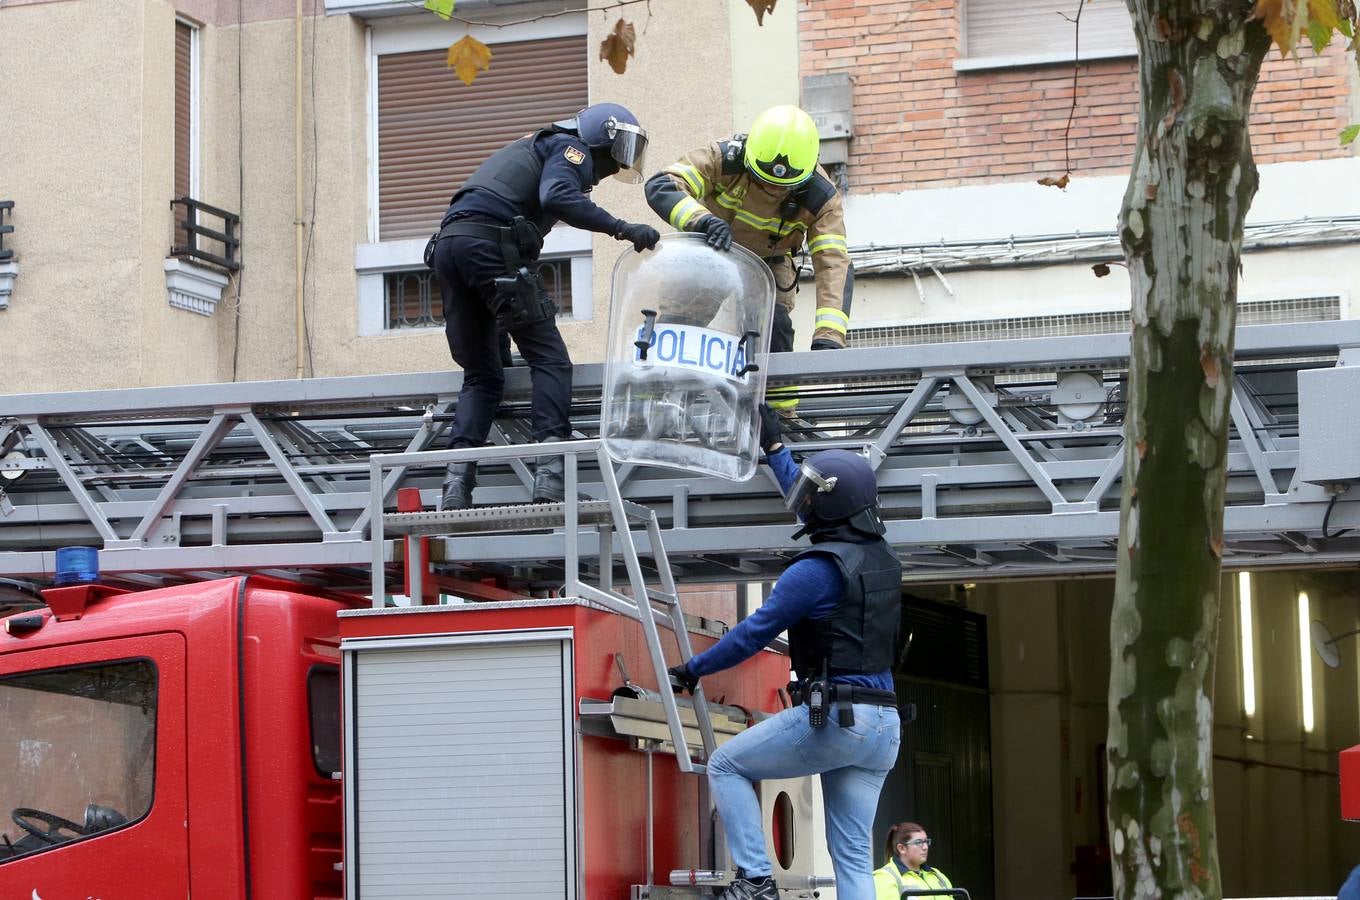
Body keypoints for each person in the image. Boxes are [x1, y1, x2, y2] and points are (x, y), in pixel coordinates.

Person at [667, 406, 902, 900]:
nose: (806, 500)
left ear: (830, 506)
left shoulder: (813, 571)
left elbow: (753, 634)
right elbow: (817, 508)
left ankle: (755, 880)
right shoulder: (882, 559)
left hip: (839, 717)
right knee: (854, 857)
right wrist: (777, 452)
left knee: (726, 766)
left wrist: (694, 668)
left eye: (814, 493)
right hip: (885, 728)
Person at [428, 103, 661, 510]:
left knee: (484, 375)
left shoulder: (529, 149)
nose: (611, 165)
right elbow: (558, 196)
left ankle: (455, 487)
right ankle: (551, 479)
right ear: (602, 136)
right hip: (489, 246)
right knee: (551, 362)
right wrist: (623, 229)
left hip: (449, 248)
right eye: (618, 147)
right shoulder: (569, 148)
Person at [644, 106, 853, 413]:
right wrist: (701, 220)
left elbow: (833, 262)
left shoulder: (822, 197)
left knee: (775, 330)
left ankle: (781, 416)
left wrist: (830, 336)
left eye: (782, 186)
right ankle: (649, 405)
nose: (771, 188)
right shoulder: (724, 158)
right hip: (712, 249)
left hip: (771, 260)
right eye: (762, 179)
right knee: (680, 323)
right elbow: (662, 185)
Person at [874, 822, 954, 899]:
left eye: (926, 841)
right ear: (902, 848)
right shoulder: (885, 877)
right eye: (918, 842)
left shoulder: (937, 875)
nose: (925, 847)